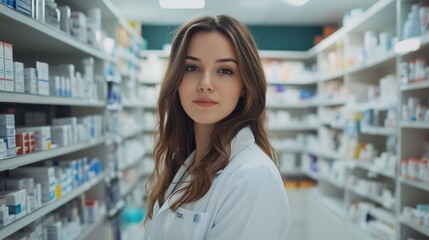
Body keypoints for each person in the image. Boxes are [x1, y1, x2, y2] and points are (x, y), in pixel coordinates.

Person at [143, 14, 290, 240]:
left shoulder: (252, 177)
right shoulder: (188, 161)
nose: (205, 84)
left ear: (245, 85)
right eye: (191, 68)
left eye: (225, 71)